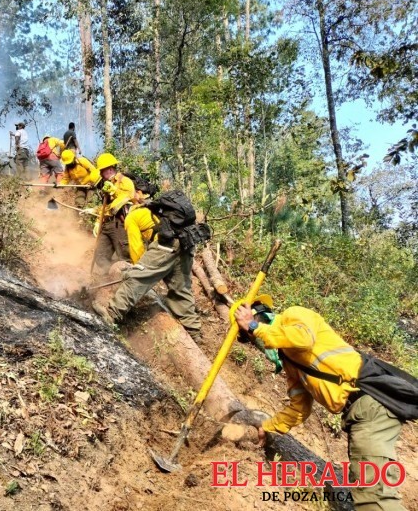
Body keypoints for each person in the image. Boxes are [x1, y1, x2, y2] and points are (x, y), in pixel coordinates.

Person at [234, 300, 408, 511]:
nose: (255, 340)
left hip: (369, 403)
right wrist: (268, 427)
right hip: (359, 413)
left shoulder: (293, 315)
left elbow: (303, 340)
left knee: (374, 495)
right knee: (367, 484)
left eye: (249, 333)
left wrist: (254, 327)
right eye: (248, 337)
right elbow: (299, 408)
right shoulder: (290, 363)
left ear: (258, 315)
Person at [92, 185, 202, 341]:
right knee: (181, 287)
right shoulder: (150, 210)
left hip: (167, 244)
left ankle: (112, 314)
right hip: (187, 242)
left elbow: (136, 248)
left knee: (138, 277)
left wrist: (137, 270)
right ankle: (193, 331)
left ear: (122, 211)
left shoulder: (132, 218)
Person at [82, 153, 135, 275]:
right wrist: (95, 211)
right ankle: (108, 279)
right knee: (100, 256)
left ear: (110, 169)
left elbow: (128, 197)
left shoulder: (124, 181)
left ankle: (125, 282)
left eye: (102, 171)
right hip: (107, 224)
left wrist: (114, 191)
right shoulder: (105, 184)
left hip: (120, 223)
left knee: (124, 256)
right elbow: (107, 207)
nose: (101, 174)